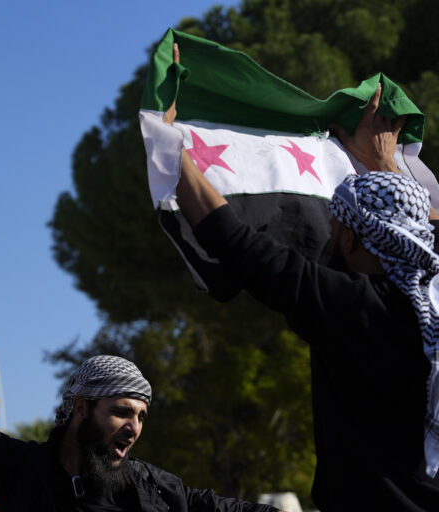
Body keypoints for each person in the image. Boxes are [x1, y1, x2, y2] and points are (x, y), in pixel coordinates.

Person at [163, 44, 439, 510]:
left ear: (352, 241)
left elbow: (237, 243)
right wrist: (385, 167)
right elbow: (420, 230)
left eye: (334, 229)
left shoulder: (356, 309)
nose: (326, 241)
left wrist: (169, 144)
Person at [0, 289, 279, 511]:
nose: (134, 427)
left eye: (141, 416)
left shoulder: (149, 487)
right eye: (121, 412)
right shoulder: (19, 470)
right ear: (81, 408)